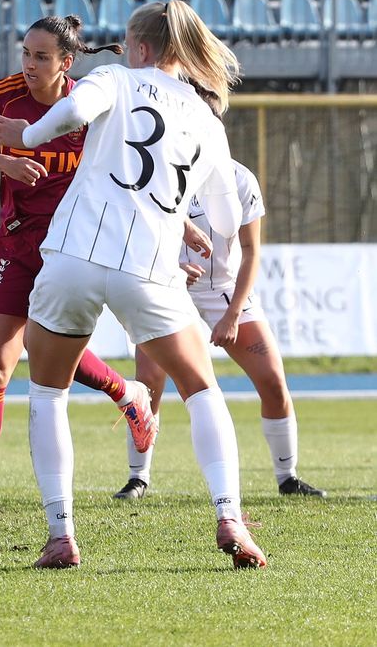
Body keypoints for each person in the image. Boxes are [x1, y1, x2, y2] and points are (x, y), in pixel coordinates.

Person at [0, 0, 269, 569]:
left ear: (138, 47)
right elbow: (222, 212)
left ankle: (62, 533)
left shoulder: (113, 77)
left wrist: (26, 131)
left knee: (48, 393)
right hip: (149, 268)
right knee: (202, 391)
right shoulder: (206, 118)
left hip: (74, 257)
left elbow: (69, 116)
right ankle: (230, 516)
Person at [0, 16, 159, 515]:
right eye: (25, 53)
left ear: (66, 63)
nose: (29, 65)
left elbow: (128, 170)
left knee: (47, 356)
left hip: (72, 247)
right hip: (16, 244)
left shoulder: (89, 103)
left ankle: (127, 393)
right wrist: (6, 162)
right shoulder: (4, 94)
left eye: (41, 57)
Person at [115, 157, 326, 500]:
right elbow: (135, 231)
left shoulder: (240, 178)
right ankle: (138, 478)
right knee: (149, 381)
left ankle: (288, 478)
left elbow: (251, 251)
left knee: (273, 380)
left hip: (223, 290)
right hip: (166, 283)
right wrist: (172, 265)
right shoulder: (157, 168)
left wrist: (231, 315)